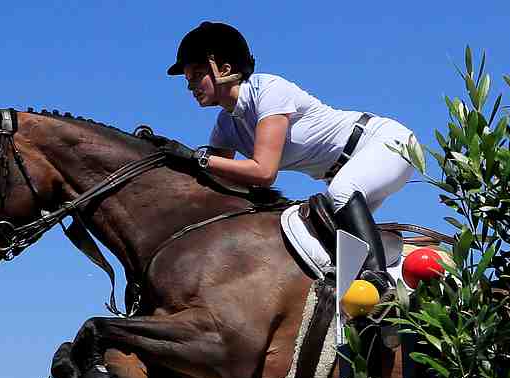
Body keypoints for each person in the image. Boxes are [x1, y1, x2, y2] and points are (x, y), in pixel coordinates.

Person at [162, 21, 417, 291]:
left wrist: (197, 158)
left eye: (197, 75)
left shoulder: (267, 90)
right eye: (187, 79)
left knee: (341, 194)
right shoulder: (226, 125)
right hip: (346, 172)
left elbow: (263, 173)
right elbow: (218, 183)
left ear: (224, 70)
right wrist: (170, 161)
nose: (190, 86)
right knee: (333, 253)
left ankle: (378, 280)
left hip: (386, 144)